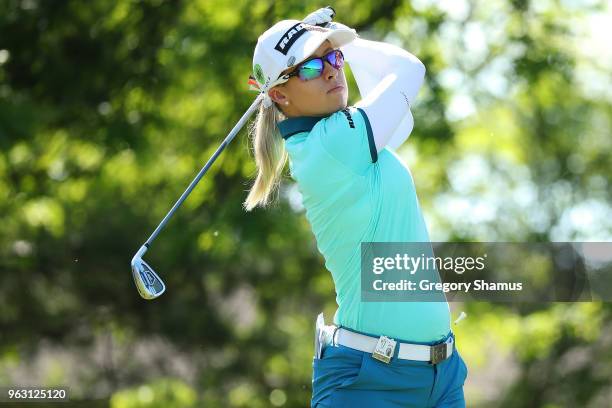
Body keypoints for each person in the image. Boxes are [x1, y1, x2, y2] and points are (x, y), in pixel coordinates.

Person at [245, 7, 468, 408]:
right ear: (279, 94)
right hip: (370, 383)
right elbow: (407, 70)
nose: (332, 71)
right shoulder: (332, 144)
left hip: (442, 376)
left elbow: (397, 115)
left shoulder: (344, 133)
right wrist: (340, 35)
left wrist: (329, 39)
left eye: (334, 59)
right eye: (311, 68)